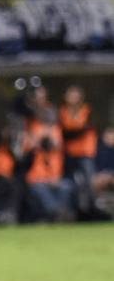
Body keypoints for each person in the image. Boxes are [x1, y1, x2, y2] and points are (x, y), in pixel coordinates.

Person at [58, 86, 97, 216]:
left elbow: (83, 129)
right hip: (69, 153)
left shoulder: (87, 110)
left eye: (75, 95)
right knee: (70, 183)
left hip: (85, 153)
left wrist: (71, 131)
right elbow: (64, 132)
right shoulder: (63, 111)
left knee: (89, 183)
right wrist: (74, 131)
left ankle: (90, 211)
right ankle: (73, 211)